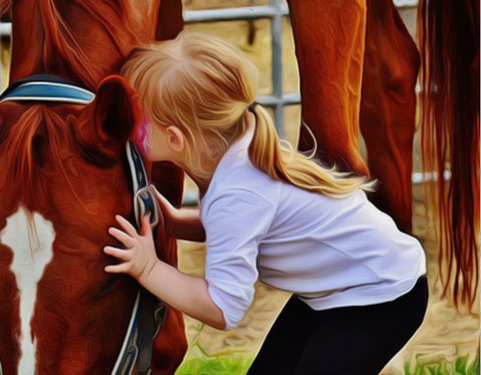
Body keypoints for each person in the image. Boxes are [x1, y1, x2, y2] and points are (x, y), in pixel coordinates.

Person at [102, 32, 428, 375]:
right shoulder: (234, 152)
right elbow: (243, 228)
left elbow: (222, 308)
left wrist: (148, 268)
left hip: (382, 297)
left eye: (136, 119)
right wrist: (175, 222)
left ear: (175, 138)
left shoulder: (238, 192)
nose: (129, 126)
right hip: (346, 288)